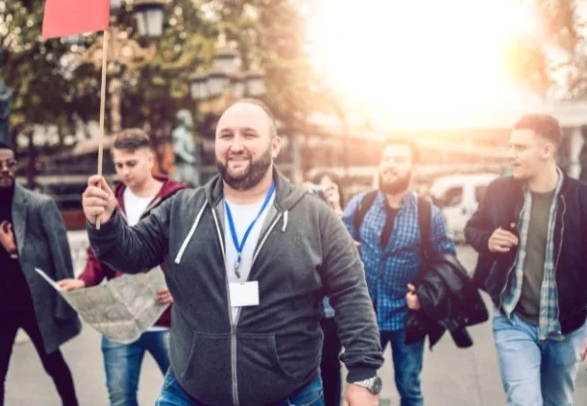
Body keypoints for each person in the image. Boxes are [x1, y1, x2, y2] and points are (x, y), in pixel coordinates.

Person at [83, 99, 383, 406]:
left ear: (275, 145)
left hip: (290, 396)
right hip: (189, 394)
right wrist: (107, 223)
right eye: (226, 136)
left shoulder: (316, 217)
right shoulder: (182, 208)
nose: (235, 145)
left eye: (249, 135)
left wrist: (364, 377)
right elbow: (131, 254)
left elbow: (351, 293)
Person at [465, 114, 587, 405]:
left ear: (546, 150)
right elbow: (473, 227)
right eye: (511, 146)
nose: (512, 154)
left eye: (520, 148)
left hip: (567, 326)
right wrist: (486, 239)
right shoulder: (500, 190)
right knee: (525, 401)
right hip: (513, 319)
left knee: (557, 401)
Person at [58, 129, 186, 406]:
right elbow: (99, 254)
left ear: (150, 159)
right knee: (120, 400)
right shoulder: (106, 200)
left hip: (167, 319)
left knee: (187, 397)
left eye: (131, 164)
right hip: (119, 320)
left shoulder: (179, 198)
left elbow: (194, 254)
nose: (125, 172)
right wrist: (83, 282)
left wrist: (181, 289)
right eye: (118, 165)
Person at [339, 138, 457, 406]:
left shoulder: (429, 215)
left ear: (414, 169)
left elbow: (447, 262)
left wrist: (425, 296)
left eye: (399, 159)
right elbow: (337, 252)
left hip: (408, 318)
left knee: (409, 388)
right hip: (365, 317)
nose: (390, 165)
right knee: (362, 386)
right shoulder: (361, 205)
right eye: (387, 158)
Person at [0, 141, 80, 406]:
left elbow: (60, 257)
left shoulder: (40, 205)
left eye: (10, 164)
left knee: (54, 364)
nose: (5, 170)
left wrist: (14, 251)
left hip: (34, 302)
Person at [304, 171, 346, 406]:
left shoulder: (343, 217)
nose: (322, 193)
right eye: (316, 189)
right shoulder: (300, 218)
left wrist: (334, 208)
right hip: (305, 308)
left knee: (329, 362)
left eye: (328, 188)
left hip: (330, 310)